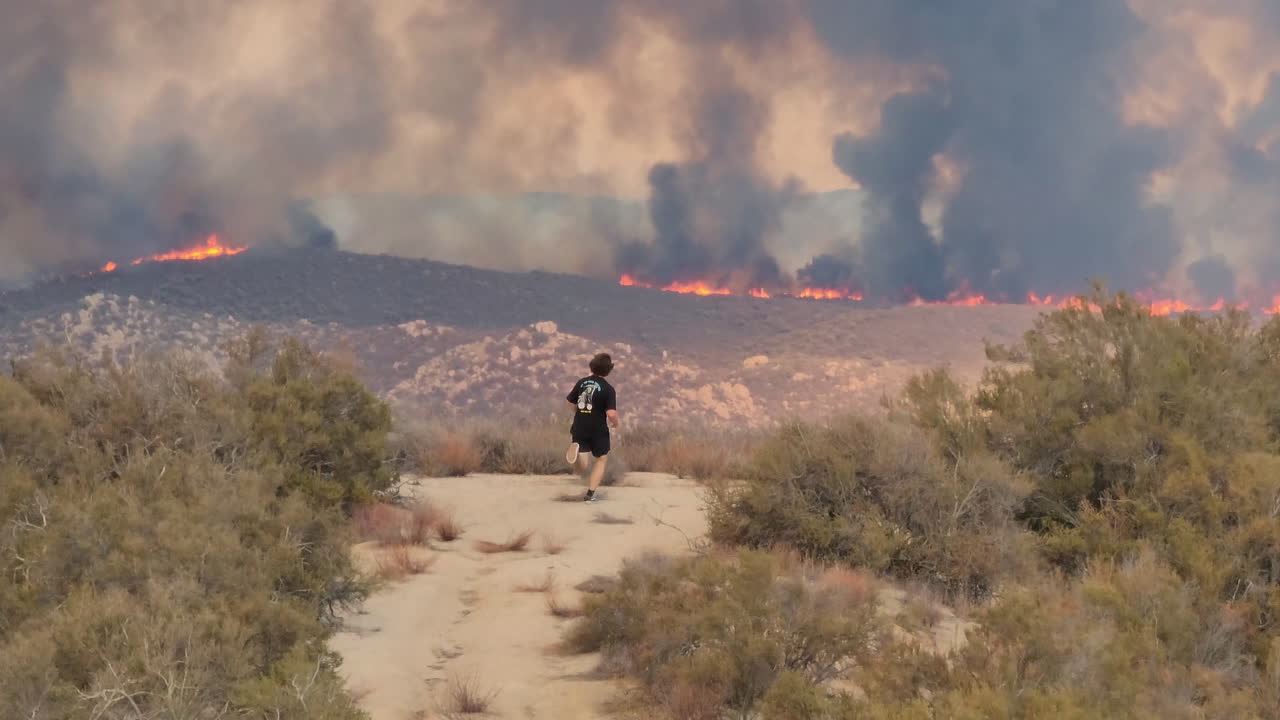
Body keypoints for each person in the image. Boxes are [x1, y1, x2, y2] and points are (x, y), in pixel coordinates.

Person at [565, 352, 619, 502]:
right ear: (608, 370)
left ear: (592, 366)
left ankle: (577, 456)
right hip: (598, 429)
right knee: (601, 459)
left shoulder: (582, 383)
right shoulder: (608, 389)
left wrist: (579, 410)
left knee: (582, 464)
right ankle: (590, 494)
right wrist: (615, 423)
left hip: (580, 425)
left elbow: (570, 402)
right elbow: (611, 413)